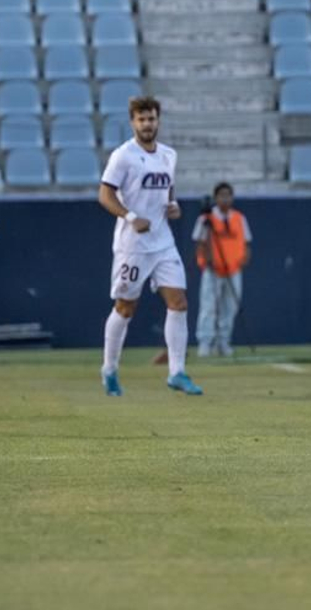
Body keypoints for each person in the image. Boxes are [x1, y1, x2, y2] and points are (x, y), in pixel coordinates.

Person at [98, 96, 202, 397]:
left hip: (162, 241)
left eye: (152, 119)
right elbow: (105, 195)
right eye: (141, 119)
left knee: (179, 302)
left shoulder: (169, 155)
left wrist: (173, 206)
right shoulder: (123, 156)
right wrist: (131, 216)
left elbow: (167, 189)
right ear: (133, 122)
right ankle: (110, 369)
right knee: (125, 307)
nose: (147, 124)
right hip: (132, 245)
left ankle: (177, 372)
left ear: (158, 120)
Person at [192, 182, 251, 360]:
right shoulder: (206, 219)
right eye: (222, 195)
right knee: (209, 306)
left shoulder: (239, 218)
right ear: (216, 198)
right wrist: (205, 260)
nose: (225, 199)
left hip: (233, 269)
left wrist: (243, 259)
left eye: (228, 195)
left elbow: (246, 241)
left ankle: (223, 341)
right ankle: (205, 342)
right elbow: (200, 242)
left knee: (230, 307)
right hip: (213, 269)